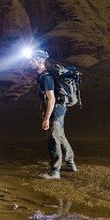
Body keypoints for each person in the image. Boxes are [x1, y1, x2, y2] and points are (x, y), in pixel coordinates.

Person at [28, 50, 76, 179]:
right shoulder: (43, 76)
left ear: (40, 61)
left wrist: (47, 118)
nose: (30, 62)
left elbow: (51, 98)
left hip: (55, 110)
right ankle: (70, 163)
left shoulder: (46, 77)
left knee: (53, 139)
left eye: (32, 59)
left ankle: (55, 171)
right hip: (60, 109)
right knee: (60, 136)